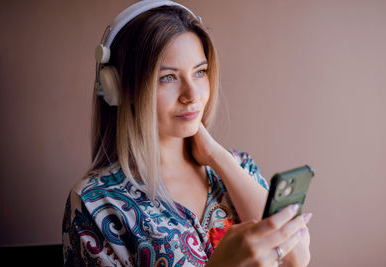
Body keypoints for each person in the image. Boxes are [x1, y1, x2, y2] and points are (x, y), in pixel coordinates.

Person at [62, 0, 312, 266]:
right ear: (122, 88)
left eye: (200, 72)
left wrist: (217, 156)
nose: (192, 96)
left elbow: (295, 259)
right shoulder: (96, 202)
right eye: (168, 77)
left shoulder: (239, 166)